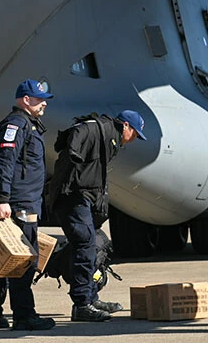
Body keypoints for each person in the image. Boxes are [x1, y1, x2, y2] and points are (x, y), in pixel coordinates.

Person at [47, 109, 147, 322]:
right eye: (135, 134)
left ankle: (91, 297)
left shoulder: (110, 138)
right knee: (85, 243)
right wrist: (74, 152)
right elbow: (78, 131)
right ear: (126, 126)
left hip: (82, 198)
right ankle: (82, 304)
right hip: (71, 196)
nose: (134, 139)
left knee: (95, 243)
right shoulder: (97, 127)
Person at [0, 79, 55, 332]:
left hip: (21, 200)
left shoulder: (28, 124)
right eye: (39, 98)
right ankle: (23, 316)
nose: (44, 102)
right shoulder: (16, 124)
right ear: (25, 99)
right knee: (24, 262)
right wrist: (2, 199)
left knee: (2, 261)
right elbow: (4, 162)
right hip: (18, 203)